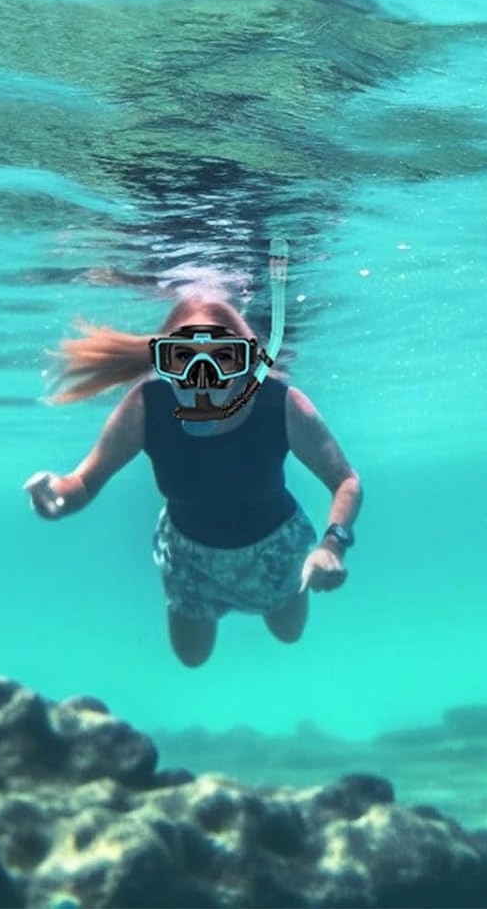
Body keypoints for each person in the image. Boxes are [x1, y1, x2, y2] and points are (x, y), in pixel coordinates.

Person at [24, 257, 361, 668]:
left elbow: (345, 480)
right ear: (161, 363)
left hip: (274, 548)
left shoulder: (280, 404)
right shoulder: (147, 405)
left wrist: (332, 546)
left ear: (249, 363)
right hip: (188, 553)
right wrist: (57, 498)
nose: (202, 377)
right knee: (192, 657)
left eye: (224, 358)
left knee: (288, 634)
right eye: (182, 359)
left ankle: (287, 588)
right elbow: (84, 483)